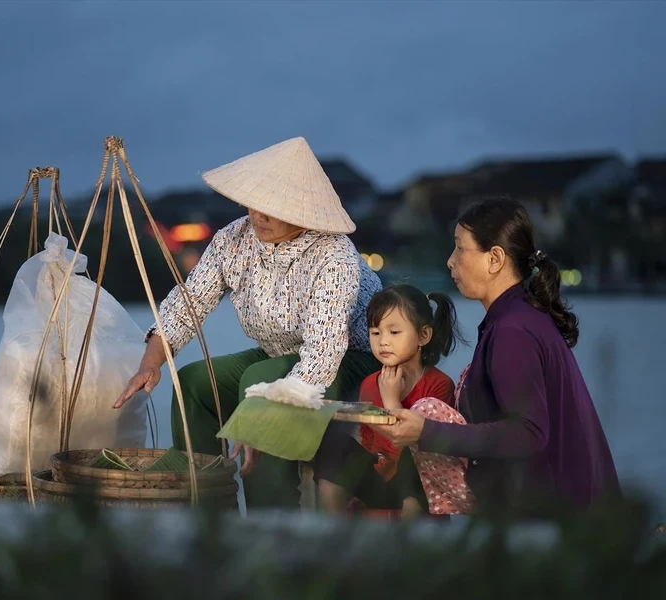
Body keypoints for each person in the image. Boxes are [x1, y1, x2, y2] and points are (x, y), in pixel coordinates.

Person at [112, 136, 383, 509]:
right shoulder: (233, 239)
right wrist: (150, 363)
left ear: (303, 211)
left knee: (257, 382)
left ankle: (270, 521)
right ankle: (208, 512)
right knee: (192, 383)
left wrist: (260, 419)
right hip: (280, 353)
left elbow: (323, 352)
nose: (258, 216)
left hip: (349, 359)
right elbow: (188, 304)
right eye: (255, 205)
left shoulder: (334, 255)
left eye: (273, 209)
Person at [368, 197, 621, 518]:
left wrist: (426, 431)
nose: (450, 261)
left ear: (495, 259)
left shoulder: (513, 330)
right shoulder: (520, 316)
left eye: (460, 248)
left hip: (551, 517)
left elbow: (528, 433)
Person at [311, 284, 470, 520]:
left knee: (414, 456)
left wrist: (391, 399)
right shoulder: (369, 383)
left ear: (423, 335)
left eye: (394, 332)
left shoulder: (438, 385)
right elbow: (369, 441)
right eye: (375, 333)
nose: (383, 341)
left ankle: (407, 534)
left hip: (418, 487)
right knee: (333, 441)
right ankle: (336, 526)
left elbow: (426, 449)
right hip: (382, 476)